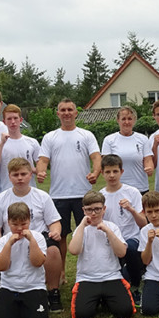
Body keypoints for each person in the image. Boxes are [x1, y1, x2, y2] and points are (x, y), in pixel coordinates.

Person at [0, 158, 65, 312]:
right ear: (9, 176)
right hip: (12, 239)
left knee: (53, 251)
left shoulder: (42, 196)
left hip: (38, 238)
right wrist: (0, 244)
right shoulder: (1, 199)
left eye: (23, 174)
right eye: (15, 175)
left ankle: (53, 292)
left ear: (31, 175)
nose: (20, 178)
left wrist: (55, 232)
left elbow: (54, 221)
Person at [37, 98, 102, 278]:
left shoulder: (86, 135)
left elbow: (96, 157)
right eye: (63, 110)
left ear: (76, 113)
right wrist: (41, 171)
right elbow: (43, 160)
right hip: (58, 195)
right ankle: (61, 272)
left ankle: (89, 270)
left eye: (70, 110)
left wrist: (96, 172)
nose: (66, 113)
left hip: (83, 194)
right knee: (60, 236)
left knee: (88, 232)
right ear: (58, 114)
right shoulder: (50, 137)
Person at [69, 191, 136, 318]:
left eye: (97, 209)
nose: (93, 213)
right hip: (87, 278)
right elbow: (74, 250)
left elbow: (121, 253)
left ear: (104, 209)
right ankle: (97, 299)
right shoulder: (81, 229)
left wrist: (108, 231)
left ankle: (106, 299)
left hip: (111, 276)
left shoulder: (112, 227)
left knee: (125, 312)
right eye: (89, 210)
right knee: (82, 315)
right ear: (83, 210)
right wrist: (82, 225)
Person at [0, 202, 50, 318]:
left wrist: (32, 241)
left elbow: (38, 262)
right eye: (15, 224)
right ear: (8, 222)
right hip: (9, 286)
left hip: (33, 286)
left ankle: (30, 307)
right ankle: (14, 309)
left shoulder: (38, 238)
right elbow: (0, 267)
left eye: (23, 224)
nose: (19, 228)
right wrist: (9, 245)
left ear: (29, 221)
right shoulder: (3, 241)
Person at [100, 155, 147, 306]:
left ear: (121, 172)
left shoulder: (132, 192)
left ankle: (135, 286)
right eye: (108, 172)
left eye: (115, 171)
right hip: (110, 239)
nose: (112, 175)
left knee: (130, 249)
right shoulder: (101, 196)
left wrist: (131, 210)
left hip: (130, 237)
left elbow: (143, 223)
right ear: (102, 173)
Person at [0, 104, 40, 192]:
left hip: (30, 190)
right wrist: (2, 143)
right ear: (4, 122)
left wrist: (29, 169)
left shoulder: (32, 142)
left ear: (21, 120)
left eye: (15, 118)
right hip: (8, 190)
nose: (13, 122)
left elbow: (41, 168)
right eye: (9, 119)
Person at [101, 106, 153, 193]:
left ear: (134, 120)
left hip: (140, 188)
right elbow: (106, 164)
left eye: (129, 119)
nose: (127, 122)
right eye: (123, 119)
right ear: (118, 120)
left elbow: (148, 159)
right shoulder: (109, 140)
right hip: (117, 189)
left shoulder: (143, 139)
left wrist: (149, 168)